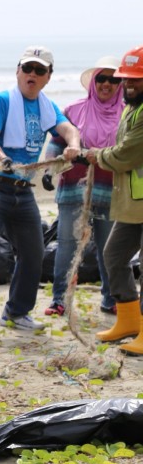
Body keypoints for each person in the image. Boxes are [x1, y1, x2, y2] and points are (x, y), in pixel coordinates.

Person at [0, 46, 81, 339]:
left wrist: (73, 145)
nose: (32, 74)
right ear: (18, 71)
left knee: (34, 253)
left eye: (39, 70)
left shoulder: (47, 106)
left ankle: (16, 312)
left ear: (48, 76)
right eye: (27, 68)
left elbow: (69, 129)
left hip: (23, 190)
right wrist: (3, 159)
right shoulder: (1, 100)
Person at [43, 56, 122, 317]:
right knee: (67, 244)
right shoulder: (74, 110)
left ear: (121, 84)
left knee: (108, 248)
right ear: (93, 82)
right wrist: (49, 170)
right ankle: (59, 299)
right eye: (102, 78)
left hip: (112, 192)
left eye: (114, 80)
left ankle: (111, 299)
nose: (107, 84)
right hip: (73, 190)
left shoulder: (127, 114)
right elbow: (56, 143)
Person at [87, 45, 143, 354]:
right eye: (127, 78)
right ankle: (129, 321)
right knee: (113, 255)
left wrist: (95, 156)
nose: (129, 84)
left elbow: (125, 154)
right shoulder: (131, 108)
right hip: (133, 204)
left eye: (136, 79)